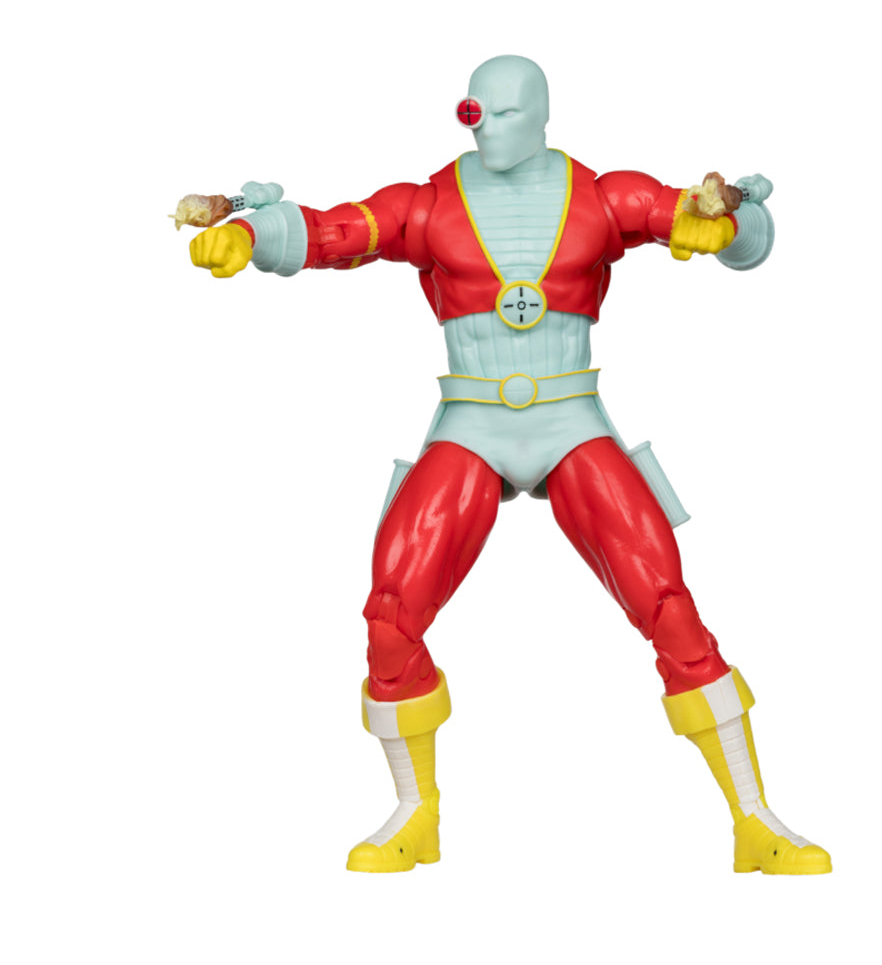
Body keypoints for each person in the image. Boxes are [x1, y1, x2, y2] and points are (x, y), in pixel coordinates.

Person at [187, 55, 831, 875]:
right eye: (473, 112)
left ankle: (754, 818)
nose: (486, 127)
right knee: (390, 611)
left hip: (568, 416)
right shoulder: (431, 202)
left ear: (542, 114)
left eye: (505, 112)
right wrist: (252, 236)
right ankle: (414, 812)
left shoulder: (603, 196)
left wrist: (728, 231)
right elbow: (337, 231)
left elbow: (735, 226)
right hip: (473, 419)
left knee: (667, 604)